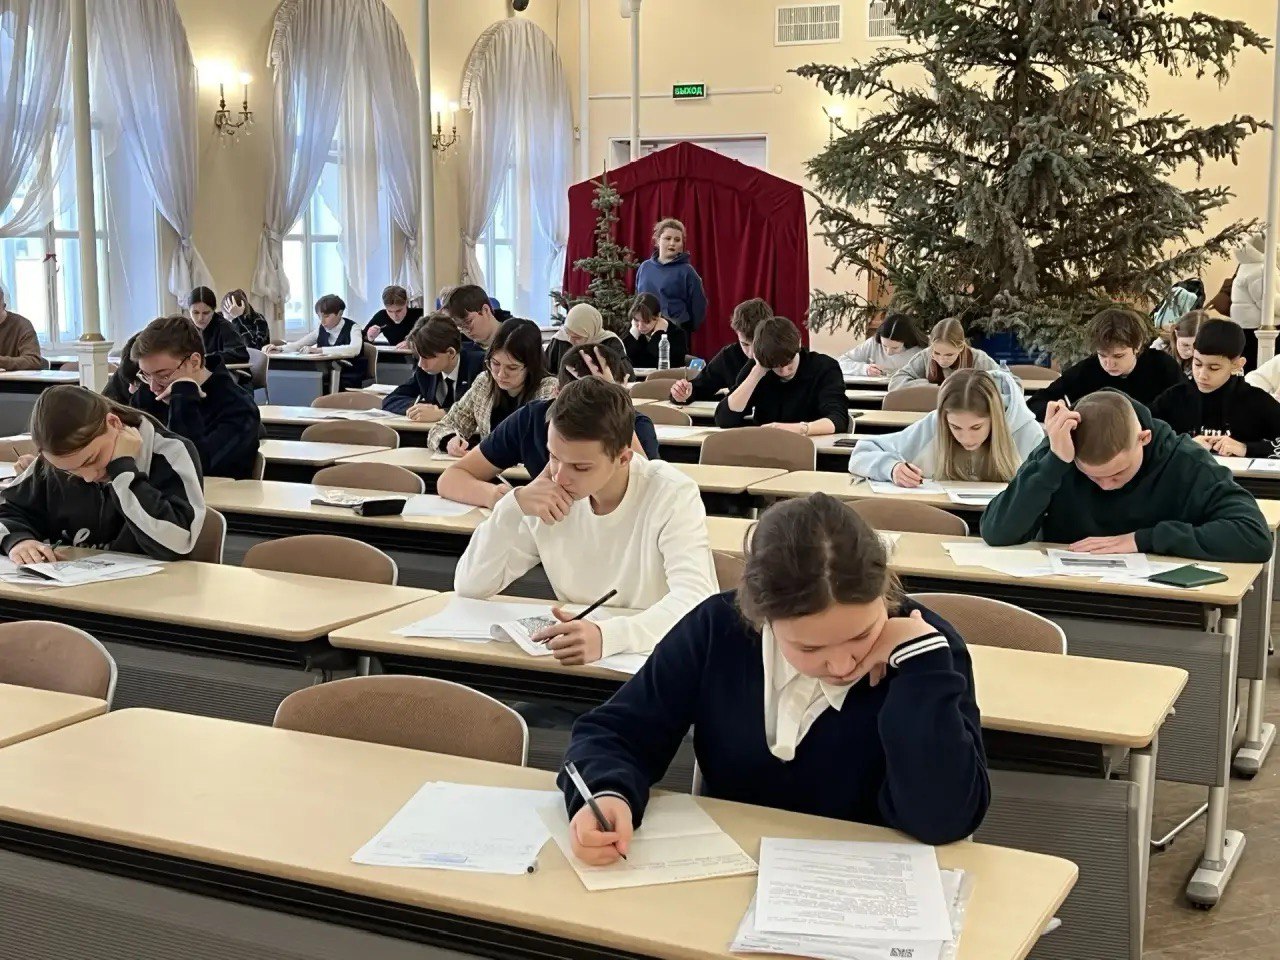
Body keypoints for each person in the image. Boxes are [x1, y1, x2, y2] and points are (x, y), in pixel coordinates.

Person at [558, 492, 989, 863]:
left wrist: (919, 670)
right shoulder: (718, 629)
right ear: (760, 616)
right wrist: (607, 792)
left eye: (862, 635)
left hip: (869, 884)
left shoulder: (928, 652)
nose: (842, 666)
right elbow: (618, 731)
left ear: (884, 594)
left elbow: (943, 819)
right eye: (809, 648)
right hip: (729, 872)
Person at [455, 376, 718, 665]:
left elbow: (696, 599)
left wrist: (610, 636)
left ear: (623, 458)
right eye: (553, 456)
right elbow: (470, 587)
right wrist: (512, 506)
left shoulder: (671, 492)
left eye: (580, 467)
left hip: (657, 662)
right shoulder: (549, 493)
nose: (560, 476)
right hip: (579, 665)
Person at [981, 390, 1271, 562]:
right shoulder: (1059, 450)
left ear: (1143, 439)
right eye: (1091, 476)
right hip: (1066, 592)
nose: (1106, 486)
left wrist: (1146, 539)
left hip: (1158, 606)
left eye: (1117, 472)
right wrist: (1055, 463)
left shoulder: (1185, 460)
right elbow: (997, 532)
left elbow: (1254, 536)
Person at [437, 343, 661, 510]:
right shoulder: (531, 418)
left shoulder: (635, 425)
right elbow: (451, 478)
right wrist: (503, 497)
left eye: (581, 466)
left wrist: (615, 407)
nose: (561, 476)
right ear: (556, 393)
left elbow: (650, 493)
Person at [0, 385, 206, 562]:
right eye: (68, 470)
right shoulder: (53, 462)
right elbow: (8, 511)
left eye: (93, 459)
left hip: (150, 590)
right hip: (72, 588)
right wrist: (18, 540)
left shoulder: (170, 452)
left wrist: (123, 471)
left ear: (114, 423)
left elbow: (178, 544)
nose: (88, 477)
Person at [849, 370, 1043, 486]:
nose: (966, 439)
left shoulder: (1029, 433)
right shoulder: (934, 424)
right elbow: (862, 452)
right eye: (955, 427)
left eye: (976, 427)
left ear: (996, 417)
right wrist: (891, 468)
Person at [128, 315, 262, 480]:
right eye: (146, 375)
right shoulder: (148, 394)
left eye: (163, 375)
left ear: (194, 362)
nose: (153, 387)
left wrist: (183, 397)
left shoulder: (239, 408)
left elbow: (189, 468)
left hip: (215, 495)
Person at [1149, 319, 1280, 461]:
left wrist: (1246, 448)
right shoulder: (1174, 398)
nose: (1202, 375)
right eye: (1197, 364)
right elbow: (1142, 436)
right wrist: (1182, 445)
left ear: (1237, 364)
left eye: (1214, 368)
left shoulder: (1256, 401)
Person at [426, 318, 556, 456]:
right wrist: (450, 440)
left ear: (531, 366)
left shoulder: (549, 389)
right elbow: (443, 426)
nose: (500, 374)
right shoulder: (485, 383)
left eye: (512, 368)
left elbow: (546, 444)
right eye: (495, 363)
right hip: (486, 468)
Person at [1028, 307, 1181, 420]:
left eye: (1118, 356)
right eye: (1102, 355)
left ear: (1137, 347)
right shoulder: (1087, 369)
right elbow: (1036, 402)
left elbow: (1186, 406)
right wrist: (1060, 411)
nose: (1109, 364)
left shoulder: (1162, 365)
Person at [715, 315, 850, 435]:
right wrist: (758, 372)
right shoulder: (759, 367)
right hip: (768, 446)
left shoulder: (824, 367)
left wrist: (799, 429)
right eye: (776, 366)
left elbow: (838, 419)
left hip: (812, 444)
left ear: (798, 343)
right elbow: (724, 419)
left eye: (788, 362)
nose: (784, 371)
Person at [382, 314, 485, 420]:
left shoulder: (481, 365)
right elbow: (390, 400)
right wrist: (419, 408)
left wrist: (443, 413)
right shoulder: (424, 371)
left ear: (451, 352)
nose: (420, 364)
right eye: (419, 357)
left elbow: (485, 410)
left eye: (427, 357)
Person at [670, 298, 772, 405]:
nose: (751, 354)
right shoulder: (729, 356)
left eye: (757, 344)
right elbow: (700, 388)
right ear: (737, 333)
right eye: (745, 344)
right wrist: (682, 393)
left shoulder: (781, 352)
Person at [264, 294, 366, 388]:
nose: (322, 321)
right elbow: (299, 345)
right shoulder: (321, 329)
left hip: (349, 375)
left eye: (326, 316)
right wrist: (279, 348)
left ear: (340, 313)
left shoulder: (353, 328)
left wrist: (319, 350)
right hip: (325, 374)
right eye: (319, 316)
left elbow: (354, 349)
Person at [635, 218, 708, 333]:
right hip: (645, 328)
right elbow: (638, 297)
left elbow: (698, 304)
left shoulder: (687, 271)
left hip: (674, 331)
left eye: (677, 240)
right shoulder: (645, 267)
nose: (672, 243)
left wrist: (686, 327)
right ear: (658, 240)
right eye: (668, 238)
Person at [887, 318, 999, 392]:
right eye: (936, 353)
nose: (942, 360)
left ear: (961, 347)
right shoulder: (925, 356)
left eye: (949, 355)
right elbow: (896, 382)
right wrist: (929, 387)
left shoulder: (979, 359)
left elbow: (1006, 383)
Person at [545, 302, 629, 376]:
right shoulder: (559, 339)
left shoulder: (610, 342)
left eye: (577, 337)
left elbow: (626, 376)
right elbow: (546, 372)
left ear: (591, 332)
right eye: (567, 333)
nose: (570, 340)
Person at [1230, 231, 1274, 371]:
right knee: (1259, 366)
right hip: (1257, 327)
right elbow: (1267, 302)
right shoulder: (1259, 269)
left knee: (1249, 364)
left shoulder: (1247, 265)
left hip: (1245, 325)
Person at [838, 313, 927, 378]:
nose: (888, 352)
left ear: (907, 340)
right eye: (884, 346)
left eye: (895, 348)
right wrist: (864, 369)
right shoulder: (873, 343)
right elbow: (840, 363)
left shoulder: (921, 351)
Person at [185, 286, 249, 369]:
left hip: (229, 372)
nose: (200, 318)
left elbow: (241, 354)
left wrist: (206, 359)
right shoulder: (185, 327)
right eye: (195, 313)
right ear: (189, 310)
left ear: (213, 310)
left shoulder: (224, 327)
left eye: (206, 313)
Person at [622, 293, 688, 370]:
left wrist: (658, 334)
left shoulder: (677, 334)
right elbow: (623, 361)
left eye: (646, 321)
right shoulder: (632, 329)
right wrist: (633, 336)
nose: (640, 327)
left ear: (658, 316)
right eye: (636, 320)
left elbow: (659, 365)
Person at [443, 284, 510, 351]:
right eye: (460, 326)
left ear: (485, 310)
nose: (466, 331)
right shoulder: (460, 348)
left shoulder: (514, 338)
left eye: (468, 322)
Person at [363, 284, 424, 348]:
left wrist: (413, 344)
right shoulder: (381, 316)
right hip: (394, 353)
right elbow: (362, 340)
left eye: (398, 311)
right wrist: (369, 337)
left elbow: (430, 340)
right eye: (390, 311)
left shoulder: (421, 314)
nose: (394, 316)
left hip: (417, 353)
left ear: (406, 303)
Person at [1152, 309, 1207, 378]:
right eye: (1185, 345)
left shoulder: (1206, 359)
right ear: (1176, 333)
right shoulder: (1159, 347)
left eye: (1196, 348)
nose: (1190, 352)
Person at [0, 286, 43, 371]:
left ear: (3, 305)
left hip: (13, 379)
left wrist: (2, 362)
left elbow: (34, 361)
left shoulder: (22, 325)